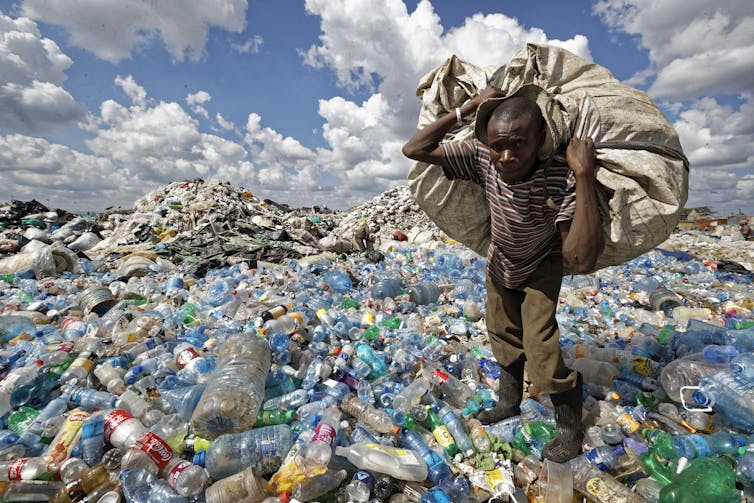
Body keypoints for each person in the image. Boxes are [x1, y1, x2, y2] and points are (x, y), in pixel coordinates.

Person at [402, 85, 605, 463]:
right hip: (500, 263)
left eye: (519, 144)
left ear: (541, 139)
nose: (507, 156)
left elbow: (578, 259)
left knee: (541, 349)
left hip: (541, 267)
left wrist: (584, 174)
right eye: (499, 145)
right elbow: (414, 149)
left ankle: (569, 427)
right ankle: (508, 403)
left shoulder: (559, 176)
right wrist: (469, 109)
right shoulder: (482, 158)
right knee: (502, 335)